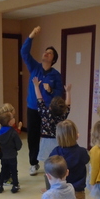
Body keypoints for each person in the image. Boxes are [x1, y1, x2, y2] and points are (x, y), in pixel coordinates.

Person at [21, 26, 63, 176]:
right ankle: (33, 163)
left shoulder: (56, 75)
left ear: (53, 59)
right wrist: (31, 35)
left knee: (49, 137)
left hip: (49, 111)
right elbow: (24, 53)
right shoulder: (35, 68)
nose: (46, 53)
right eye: (46, 51)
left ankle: (51, 163)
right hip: (33, 108)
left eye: (50, 53)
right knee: (32, 136)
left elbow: (60, 94)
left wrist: (51, 91)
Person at [32, 77, 71, 189]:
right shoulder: (63, 115)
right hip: (59, 142)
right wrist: (68, 92)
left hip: (46, 142)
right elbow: (68, 105)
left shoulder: (45, 113)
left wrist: (36, 86)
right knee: (59, 165)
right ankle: (61, 185)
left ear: (50, 106)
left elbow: (39, 100)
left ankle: (49, 188)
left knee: (48, 167)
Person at [0, 108, 22, 194]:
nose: (14, 118)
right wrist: (16, 149)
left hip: (3, 156)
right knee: (14, 171)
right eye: (13, 117)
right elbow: (19, 145)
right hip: (12, 155)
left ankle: (0, 185)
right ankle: (15, 185)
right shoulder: (13, 132)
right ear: (10, 122)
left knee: (3, 170)